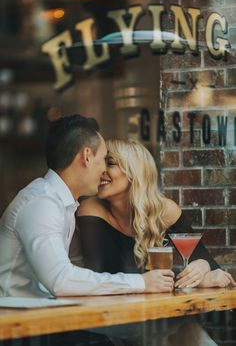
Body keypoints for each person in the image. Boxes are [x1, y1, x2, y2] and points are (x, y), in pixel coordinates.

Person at [76, 138, 236, 346]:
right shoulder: (91, 210)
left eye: (111, 163)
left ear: (134, 172)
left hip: (157, 318)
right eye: (101, 163)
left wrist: (203, 267)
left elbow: (211, 266)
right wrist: (188, 280)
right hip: (111, 318)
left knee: (184, 330)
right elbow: (107, 276)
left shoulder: (164, 211)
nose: (102, 171)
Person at [0, 115, 174, 299]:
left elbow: (78, 272)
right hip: (13, 319)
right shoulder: (41, 204)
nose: (104, 170)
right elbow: (62, 281)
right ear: (87, 157)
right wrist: (141, 282)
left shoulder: (63, 204)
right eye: (104, 158)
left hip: (40, 315)